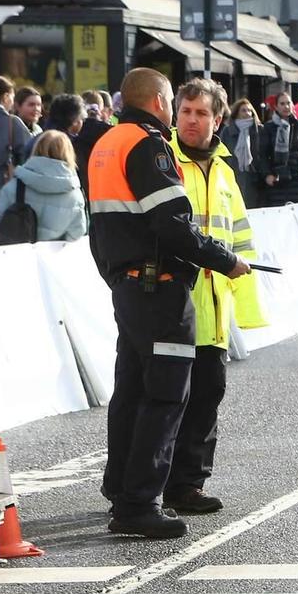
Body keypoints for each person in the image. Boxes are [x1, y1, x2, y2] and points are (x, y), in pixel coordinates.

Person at [86, 67, 249, 540]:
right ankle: (139, 504)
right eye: (180, 107)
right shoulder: (149, 145)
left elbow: (99, 226)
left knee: (132, 393)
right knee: (165, 397)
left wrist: (117, 277)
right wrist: (224, 260)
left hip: (130, 286)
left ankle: (121, 489)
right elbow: (173, 224)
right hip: (160, 291)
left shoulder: (106, 145)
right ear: (161, 102)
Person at [166, 77, 268, 516]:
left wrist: (245, 307)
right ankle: (148, 486)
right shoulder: (163, 160)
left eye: (201, 113)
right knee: (164, 401)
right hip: (172, 304)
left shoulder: (225, 172)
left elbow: (241, 241)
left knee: (207, 398)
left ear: (218, 119)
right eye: (186, 112)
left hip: (213, 309)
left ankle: (188, 485)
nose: (192, 120)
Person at [0, 129, 87, 245]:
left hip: (17, 257)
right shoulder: (75, 194)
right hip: (49, 260)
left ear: (37, 148)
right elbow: (77, 233)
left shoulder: (16, 186)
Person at [253, 91, 298, 206]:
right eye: (282, 104)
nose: (286, 107)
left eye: (288, 103)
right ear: (276, 106)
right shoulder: (268, 127)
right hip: (277, 177)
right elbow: (262, 154)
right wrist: (267, 175)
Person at [218, 100, 260, 207]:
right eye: (243, 111)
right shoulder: (227, 131)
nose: (247, 113)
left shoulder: (259, 130)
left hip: (255, 177)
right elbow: (221, 154)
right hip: (234, 175)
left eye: (249, 111)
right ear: (237, 113)